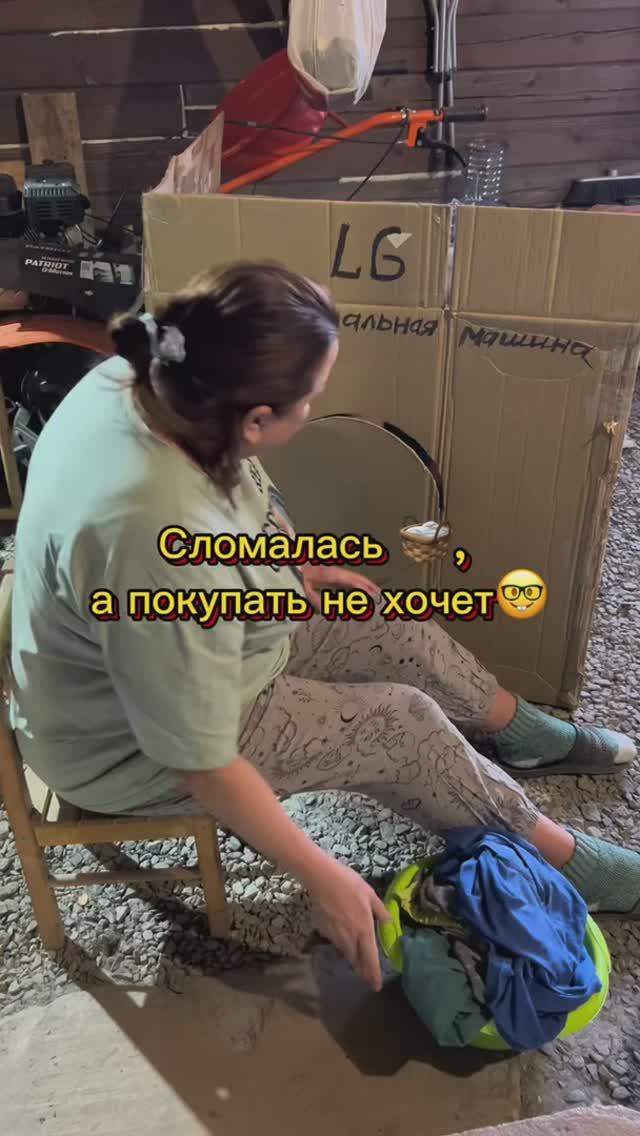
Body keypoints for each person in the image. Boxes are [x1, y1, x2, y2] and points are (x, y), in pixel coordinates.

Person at [10, 262, 640, 993]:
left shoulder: (160, 373)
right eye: (309, 399)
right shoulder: (149, 534)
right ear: (255, 418)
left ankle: (520, 732)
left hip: (178, 642)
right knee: (402, 726)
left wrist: (288, 566)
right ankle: (565, 859)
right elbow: (196, 757)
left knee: (392, 626)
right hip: (127, 741)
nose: (313, 410)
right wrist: (321, 871)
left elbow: (239, 506)